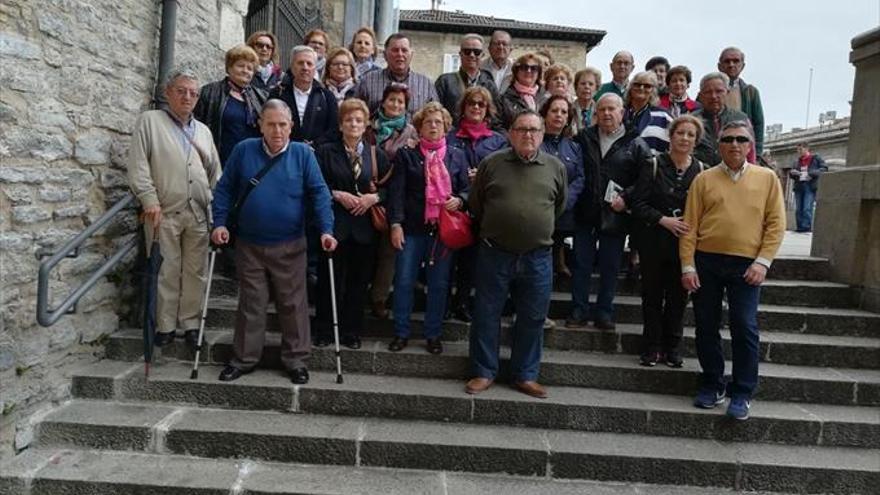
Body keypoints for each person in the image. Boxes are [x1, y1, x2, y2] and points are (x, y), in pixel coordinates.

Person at [211, 99, 337, 384]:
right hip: (249, 244)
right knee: (251, 304)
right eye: (271, 124)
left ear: (291, 126)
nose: (277, 130)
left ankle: (296, 361)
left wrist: (326, 230)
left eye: (283, 124)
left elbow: (319, 193)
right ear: (260, 125)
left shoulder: (303, 154)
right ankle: (243, 359)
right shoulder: (244, 150)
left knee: (293, 304)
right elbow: (225, 189)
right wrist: (219, 223)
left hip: (290, 243)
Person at [681, 120, 785, 420]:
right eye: (728, 139)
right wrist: (688, 265)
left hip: (747, 264)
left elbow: (776, 224)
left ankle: (742, 391)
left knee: (744, 325)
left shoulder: (767, 179)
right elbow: (690, 226)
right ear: (719, 145)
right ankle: (713, 383)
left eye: (741, 139)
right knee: (706, 324)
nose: (735, 144)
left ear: (750, 145)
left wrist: (763, 261)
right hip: (707, 261)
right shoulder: (704, 179)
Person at [466, 110, 567, 399]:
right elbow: (477, 204)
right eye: (522, 129)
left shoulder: (556, 166)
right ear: (511, 133)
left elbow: (558, 206)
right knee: (486, 314)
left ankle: (525, 375)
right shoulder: (492, 163)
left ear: (543, 133)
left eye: (534, 130)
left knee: (533, 317)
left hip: (537, 257)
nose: (528, 135)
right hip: (495, 253)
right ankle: (484, 371)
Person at [127, 69, 221, 348]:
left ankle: (191, 323)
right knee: (166, 269)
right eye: (181, 91)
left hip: (198, 213)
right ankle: (165, 325)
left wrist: (216, 209)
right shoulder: (150, 122)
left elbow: (215, 172)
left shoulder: (203, 131)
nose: (187, 97)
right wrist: (148, 199)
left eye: (193, 93)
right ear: (168, 93)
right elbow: (138, 165)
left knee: (196, 271)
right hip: (163, 211)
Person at [387, 102, 469, 355]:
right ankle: (401, 332)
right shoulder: (407, 155)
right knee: (403, 281)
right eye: (428, 122)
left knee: (439, 284)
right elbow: (396, 193)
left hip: (442, 232)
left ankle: (433, 334)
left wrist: (461, 199)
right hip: (412, 228)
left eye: (438, 122)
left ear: (446, 127)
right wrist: (395, 224)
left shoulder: (457, 155)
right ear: (419, 127)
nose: (433, 126)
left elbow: (467, 188)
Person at [568, 94, 651, 330]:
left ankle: (604, 312)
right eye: (602, 109)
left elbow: (645, 179)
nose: (606, 113)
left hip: (615, 215)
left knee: (610, 267)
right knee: (581, 265)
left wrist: (626, 198)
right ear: (596, 113)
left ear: (622, 112)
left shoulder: (635, 143)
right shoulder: (584, 138)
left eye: (611, 109)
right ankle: (578, 310)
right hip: (585, 212)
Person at [313, 99, 391, 349]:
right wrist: (336, 194)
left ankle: (352, 331)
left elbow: (390, 188)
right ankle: (324, 329)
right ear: (340, 124)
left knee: (358, 284)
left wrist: (374, 198)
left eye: (359, 120)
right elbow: (315, 184)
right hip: (334, 225)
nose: (354, 124)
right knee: (329, 281)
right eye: (348, 120)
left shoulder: (375, 153)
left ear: (367, 123)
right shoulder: (325, 151)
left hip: (365, 229)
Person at [630, 115, 706, 368]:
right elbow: (637, 203)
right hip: (654, 241)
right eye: (680, 133)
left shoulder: (702, 170)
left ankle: (673, 347)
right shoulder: (652, 165)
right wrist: (663, 220)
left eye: (690, 135)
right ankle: (652, 347)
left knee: (678, 298)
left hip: (685, 246)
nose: (684, 138)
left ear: (696, 140)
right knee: (652, 296)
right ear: (670, 136)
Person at [445, 86, 509, 321]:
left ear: (487, 110)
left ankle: (462, 302)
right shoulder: (449, 137)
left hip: (484, 210)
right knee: (449, 260)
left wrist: (482, 177)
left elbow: (505, 173)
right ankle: (444, 304)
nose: (476, 108)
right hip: (453, 207)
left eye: (481, 104)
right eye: (471, 103)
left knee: (473, 261)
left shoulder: (499, 141)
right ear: (463, 108)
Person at [366, 84, 419, 319]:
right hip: (363, 194)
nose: (396, 105)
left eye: (401, 102)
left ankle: (379, 298)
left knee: (388, 252)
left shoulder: (411, 133)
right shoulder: (369, 127)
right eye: (392, 100)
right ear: (383, 101)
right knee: (364, 250)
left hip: (394, 197)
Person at [194, 44, 267, 165]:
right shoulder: (210, 92)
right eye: (240, 66)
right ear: (229, 68)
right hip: (220, 159)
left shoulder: (261, 97)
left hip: (251, 162)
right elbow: (197, 126)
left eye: (250, 68)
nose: (245, 70)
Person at [539, 95, 585, 277]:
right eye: (554, 110)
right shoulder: (536, 143)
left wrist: (566, 199)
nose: (559, 115)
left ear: (568, 118)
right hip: (540, 210)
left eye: (563, 112)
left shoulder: (574, 147)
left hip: (565, 211)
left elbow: (580, 178)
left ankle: (560, 261)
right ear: (545, 114)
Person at [355, 33, 438, 118]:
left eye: (404, 50)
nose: (400, 54)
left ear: (411, 54)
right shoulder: (367, 82)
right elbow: (354, 114)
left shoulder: (426, 85)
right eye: (395, 50)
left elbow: (435, 117)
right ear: (385, 55)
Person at [272, 45, 338, 145]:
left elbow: (333, 130)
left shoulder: (327, 96)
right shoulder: (278, 93)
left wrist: (315, 144)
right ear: (292, 66)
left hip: (317, 155)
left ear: (315, 68)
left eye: (309, 63)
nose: (305, 67)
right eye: (300, 63)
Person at [435, 33, 499, 124]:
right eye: (467, 51)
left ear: (482, 55)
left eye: (476, 52)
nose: (472, 55)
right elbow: (437, 113)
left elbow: (496, 116)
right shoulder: (444, 81)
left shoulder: (489, 84)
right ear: (460, 54)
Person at [692, 72, 754, 166]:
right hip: (700, 174)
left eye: (719, 91)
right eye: (708, 92)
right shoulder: (692, 121)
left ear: (727, 93)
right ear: (700, 96)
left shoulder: (741, 119)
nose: (713, 96)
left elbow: (750, 152)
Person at [718, 47, 765, 154]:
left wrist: (757, 154)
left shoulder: (750, 92)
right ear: (719, 66)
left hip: (741, 150)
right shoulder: (709, 90)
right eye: (727, 61)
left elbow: (758, 124)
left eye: (736, 61)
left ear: (742, 66)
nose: (731, 65)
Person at [623, 71, 672, 153]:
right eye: (637, 84)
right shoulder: (620, 113)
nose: (641, 88)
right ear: (630, 88)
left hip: (653, 163)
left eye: (647, 86)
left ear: (653, 91)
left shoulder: (664, 116)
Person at [498, 53, 547, 128]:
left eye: (534, 68)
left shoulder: (545, 97)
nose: (528, 71)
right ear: (516, 72)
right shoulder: (504, 99)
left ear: (539, 73)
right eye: (524, 67)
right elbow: (499, 126)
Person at [789, 142, 827, 233]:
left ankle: (806, 227)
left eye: (800, 149)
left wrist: (811, 174)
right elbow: (791, 174)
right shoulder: (797, 161)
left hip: (810, 185)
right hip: (799, 185)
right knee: (798, 208)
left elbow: (824, 169)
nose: (799, 152)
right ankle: (799, 227)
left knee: (807, 207)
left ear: (807, 149)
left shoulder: (815, 158)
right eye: (798, 150)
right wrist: (793, 173)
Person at [571, 67, 601, 135]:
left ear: (596, 89)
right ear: (576, 87)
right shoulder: (568, 110)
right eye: (583, 83)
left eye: (591, 84)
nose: (587, 87)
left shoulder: (600, 111)